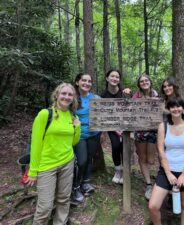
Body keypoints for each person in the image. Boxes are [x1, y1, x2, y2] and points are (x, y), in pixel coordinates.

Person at [25, 83, 81, 225]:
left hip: (67, 162)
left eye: (70, 95)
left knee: (63, 199)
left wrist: (77, 127)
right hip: (46, 165)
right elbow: (36, 144)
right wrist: (33, 171)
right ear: (56, 95)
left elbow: (74, 142)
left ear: (73, 98)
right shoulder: (45, 114)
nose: (66, 97)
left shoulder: (72, 115)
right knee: (45, 206)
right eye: (64, 93)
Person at [148, 97, 184, 225]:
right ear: (169, 109)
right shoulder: (163, 126)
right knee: (153, 206)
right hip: (166, 170)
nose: (176, 109)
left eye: (179, 106)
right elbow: (161, 151)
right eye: (173, 106)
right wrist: (168, 173)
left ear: (183, 108)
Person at [71, 73, 102, 204]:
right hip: (79, 135)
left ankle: (86, 182)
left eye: (89, 81)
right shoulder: (71, 98)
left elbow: (103, 115)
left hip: (94, 134)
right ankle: (75, 187)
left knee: (89, 158)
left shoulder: (96, 98)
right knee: (81, 160)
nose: (87, 83)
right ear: (77, 82)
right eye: (84, 80)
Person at [101, 69, 131, 184]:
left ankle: (126, 171)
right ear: (107, 78)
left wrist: (123, 127)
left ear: (119, 80)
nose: (114, 78)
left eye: (117, 77)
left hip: (125, 125)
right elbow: (103, 114)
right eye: (112, 76)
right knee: (115, 146)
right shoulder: (103, 95)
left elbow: (132, 109)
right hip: (111, 125)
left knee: (125, 146)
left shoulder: (124, 93)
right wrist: (115, 129)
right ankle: (118, 170)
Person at [132, 74, 159, 200]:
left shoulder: (156, 95)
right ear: (139, 84)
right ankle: (148, 184)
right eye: (141, 81)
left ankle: (158, 182)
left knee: (151, 160)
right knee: (142, 158)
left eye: (146, 80)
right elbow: (129, 110)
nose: (144, 82)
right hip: (140, 131)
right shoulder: (136, 96)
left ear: (150, 82)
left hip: (153, 131)